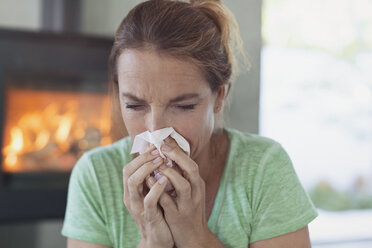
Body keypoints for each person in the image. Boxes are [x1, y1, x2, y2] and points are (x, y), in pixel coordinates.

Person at [61, 0, 318, 247]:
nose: (155, 131)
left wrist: (195, 236)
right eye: (135, 106)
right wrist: (152, 242)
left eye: (182, 106)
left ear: (219, 97)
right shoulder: (95, 176)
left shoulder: (263, 168)